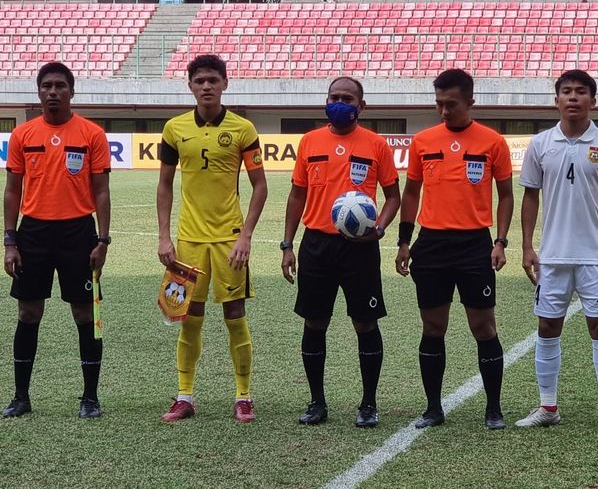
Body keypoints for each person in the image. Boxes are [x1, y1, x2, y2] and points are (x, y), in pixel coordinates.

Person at [395, 69, 513, 430]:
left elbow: (506, 195)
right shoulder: (423, 141)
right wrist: (404, 240)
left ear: (470, 101)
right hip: (431, 243)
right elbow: (412, 192)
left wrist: (501, 241)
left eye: (451, 104)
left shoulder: (493, 142)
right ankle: (433, 408)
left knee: (484, 327)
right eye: (438, 103)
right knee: (433, 327)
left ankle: (493, 409)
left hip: (475, 243)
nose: (443, 111)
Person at [282, 76, 400, 428]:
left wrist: (379, 229)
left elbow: (393, 196)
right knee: (314, 322)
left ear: (362, 106)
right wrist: (288, 245)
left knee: (365, 322)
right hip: (317, 244)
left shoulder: (376, 145)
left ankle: (368, 404)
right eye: (334, 97)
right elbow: (296, 196)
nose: (340, 102)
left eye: (348, 98)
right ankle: (317, 402)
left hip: (360, 249)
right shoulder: (309, 141)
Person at [516, 69, 598, 429]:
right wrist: (527, 246)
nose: (573, 98)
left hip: (596, 255)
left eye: (581, 92)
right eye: (566, 92)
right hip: (551, 256)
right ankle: (548, 408)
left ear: (592, 101)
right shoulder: (540, 144)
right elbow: (530, 196)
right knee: (548, 327)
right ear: (556, 100)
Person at [157, 54, 268, 423]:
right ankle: (185, 396)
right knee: (189, 317)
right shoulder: (174, 129)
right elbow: (164, 185)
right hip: (188, 240)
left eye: (213, 80)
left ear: (225, 83)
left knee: (235, 315)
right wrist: (163, 237)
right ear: (189, 85)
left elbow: (260, 186)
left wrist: (246, 237)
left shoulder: (242, 129)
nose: (206, 86)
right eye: (200, 80)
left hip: (229, 238)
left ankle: (244, 396)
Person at [2, 62, 111, 418]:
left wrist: (103, 240)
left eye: (60, 85)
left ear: (72, 91)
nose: (53, 91)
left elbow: (102, 191)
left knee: (84, 313)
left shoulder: (91, 134)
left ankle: (90, 398)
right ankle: (21, 398)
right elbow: (12, 190)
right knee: (28, 312)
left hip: (78, 233)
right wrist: (10, 241)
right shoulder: (22, 135)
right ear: (38, 92)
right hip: (33, 232)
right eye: (46, 85)